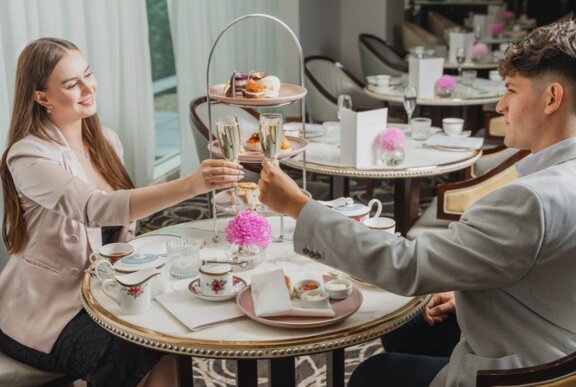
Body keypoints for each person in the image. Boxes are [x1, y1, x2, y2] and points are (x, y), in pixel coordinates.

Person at [258, 17, 576, 387]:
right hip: (554, 334)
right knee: (409, 323)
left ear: (552, 98)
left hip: (521, 368)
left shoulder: (530, 200)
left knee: (372, 373)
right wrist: (470, 291)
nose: (501, 106)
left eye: (511, 90)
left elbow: (407, 265)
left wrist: (299, 207)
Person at [0, 37, 243, 387]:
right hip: (43, 316)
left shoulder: (106, 143)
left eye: (88, 74)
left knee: (170, 332)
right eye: (71, 84)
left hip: (104, 292)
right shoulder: (28, 156)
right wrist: (191, 185)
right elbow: (95, 209)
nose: (88, 87)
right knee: (132, 349)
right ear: (42, 97)